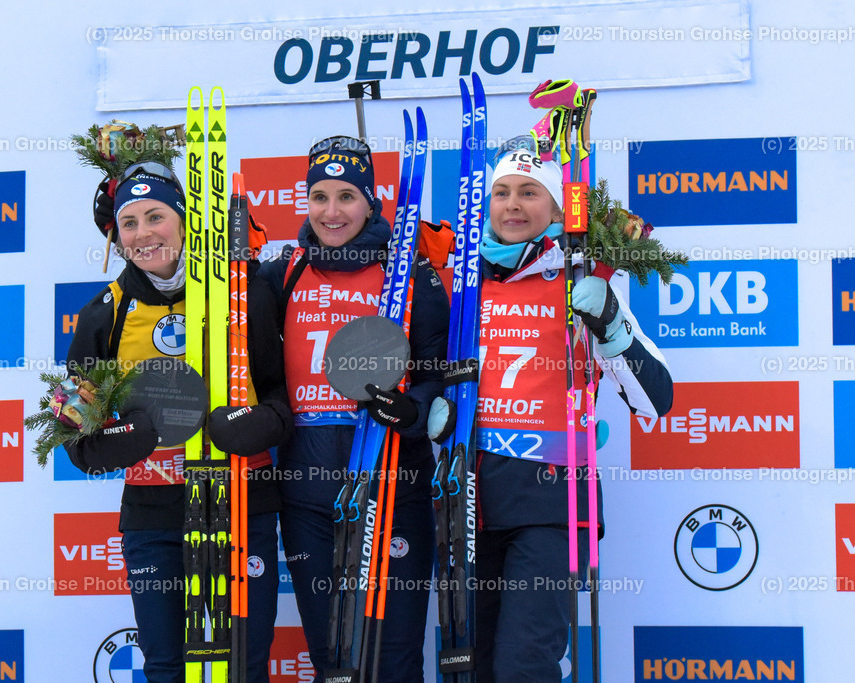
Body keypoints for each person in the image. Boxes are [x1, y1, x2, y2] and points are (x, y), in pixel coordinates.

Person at [429, 138, 674, 682]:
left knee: (524, 665)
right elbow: (425, 372)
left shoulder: (583, 278)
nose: (512, 204)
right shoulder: (459, 282)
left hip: (552, 503)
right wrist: (431, 408)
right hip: (465, 499)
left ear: (558, 209)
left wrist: (609, 324)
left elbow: (656, 401)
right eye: (502, 192)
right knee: (465, 667)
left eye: (530, 193)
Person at [65, 162, 289, 683]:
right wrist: (123, 439)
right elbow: (74, 434)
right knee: (168, 667)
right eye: (130, 223)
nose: (144, 234)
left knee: (243, 664)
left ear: (185, 220)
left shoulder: (242, 295)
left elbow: (281, 392)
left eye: (156, 216)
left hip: (241, 500)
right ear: (116, 236)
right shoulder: (102, 315)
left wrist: (262, 423)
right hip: (154, 513)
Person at [238, 136, 449, 681]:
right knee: (333, 657)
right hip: (306, 497)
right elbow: (250, 358)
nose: (332, 211)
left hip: (391, 484)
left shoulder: (410, 275)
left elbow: (440, 375)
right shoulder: (281, 275)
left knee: (393, 654)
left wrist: (413, 409)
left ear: (371, 200)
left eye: (347, 197)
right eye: (320, 196)